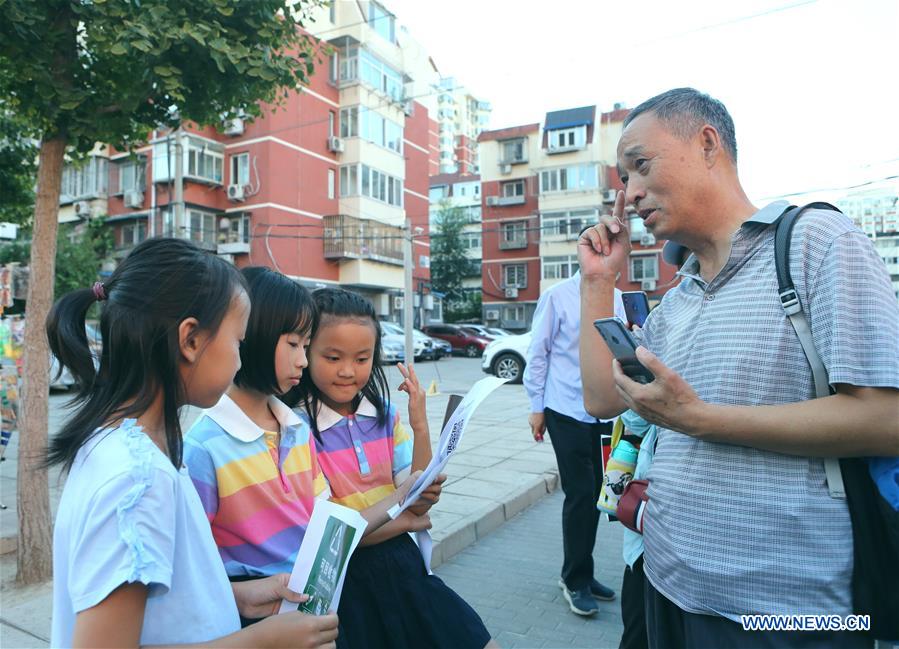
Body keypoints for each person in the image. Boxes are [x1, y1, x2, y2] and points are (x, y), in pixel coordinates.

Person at [578, 87, 899, 648]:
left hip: (788, 612)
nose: (628, 196)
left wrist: (699, 419)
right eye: (623, 180)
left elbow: (886, 420)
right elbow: (602, 400)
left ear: (707, 145)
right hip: (668, 584)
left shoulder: (815, 243)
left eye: (639, 167)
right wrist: (598, 281)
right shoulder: (679, 297)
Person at [46, 238, 339, 649]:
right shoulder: (137, 481)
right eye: (238, 341)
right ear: (191, 340)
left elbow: (158, 604)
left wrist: (237, 597)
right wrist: (262, 643)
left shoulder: (123, 446)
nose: (240, 359)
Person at [184, 267, 423, 628]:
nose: (303, 360)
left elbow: (326, 529)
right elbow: (189, 569)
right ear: (254, 335)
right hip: (252, 618)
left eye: (307, 346)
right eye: (294, 344)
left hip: (311, 607)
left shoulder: (296, 431)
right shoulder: (202, 447)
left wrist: (402, 498)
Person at [299, 287, 495, 649]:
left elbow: (417, 500)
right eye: (332, 357)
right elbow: (332, 538)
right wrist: (403, 520)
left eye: (361, 358)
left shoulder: (385, 416)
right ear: (306, 351)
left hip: (403, 565)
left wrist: (420, 425)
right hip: (347, 586)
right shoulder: (298, 429)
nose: (347, 371)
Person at [523, 255, 624, 617]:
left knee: (598, 495)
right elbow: (538, 353)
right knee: (580, 494)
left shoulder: (616, 296)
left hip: (603, 415)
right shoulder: (557, 296)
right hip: (564, 408)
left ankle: (585, 571)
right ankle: (573, 579)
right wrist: (537, 407)